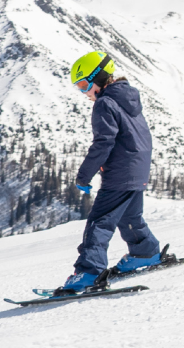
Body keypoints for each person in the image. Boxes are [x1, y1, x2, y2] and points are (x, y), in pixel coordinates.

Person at [55, 50, 164, 295]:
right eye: (79, 88)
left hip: (120, 173)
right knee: (129, 216)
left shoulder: (105, 102)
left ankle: (89, 272)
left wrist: (84, 175)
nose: (84, 93)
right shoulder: (128, 98)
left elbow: (103, 142)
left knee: (99, 223)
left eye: (84, 85)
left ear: (99, 77)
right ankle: (144, 252)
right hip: (138, 169)